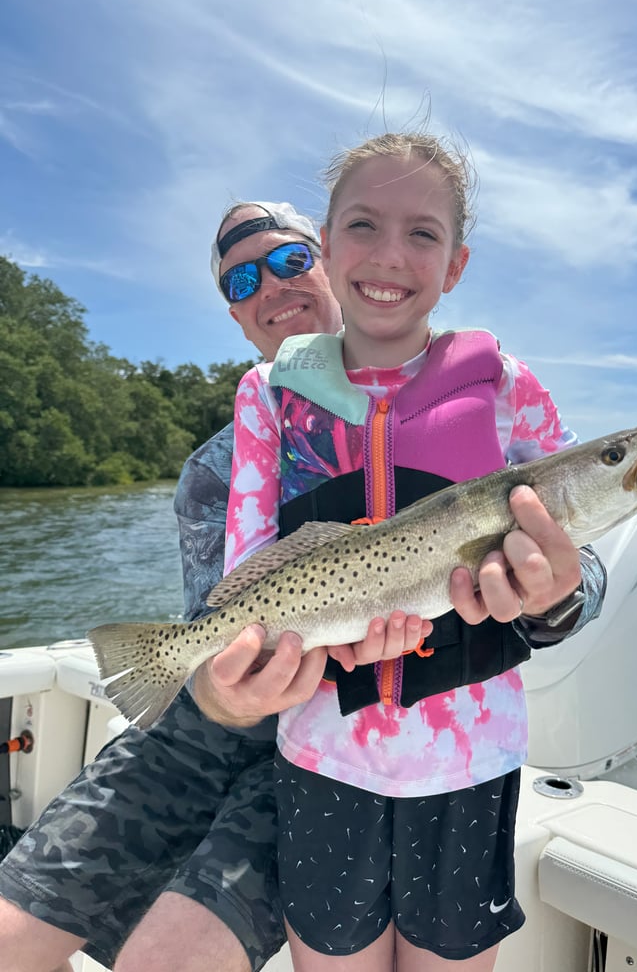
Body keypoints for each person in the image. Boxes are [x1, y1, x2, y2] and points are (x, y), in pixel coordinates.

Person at [0, 196, 603, 972]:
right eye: (240, 280)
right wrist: (222, 692)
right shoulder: (212, 470)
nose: (270, 287)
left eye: (287, 260)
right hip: (195, 737)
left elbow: (582, 572)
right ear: (235, 316)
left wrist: (550, 595)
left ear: (330, 263)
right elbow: (219, 634)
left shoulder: (473, 408)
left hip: (328, 753)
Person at [195, 134, 606, 972]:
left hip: (470, 761)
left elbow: (583, 573)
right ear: (331, 244)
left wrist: (555, 594)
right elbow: (241, 577)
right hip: (319, 755)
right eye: (363, 225)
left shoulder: (507, 387)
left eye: (422, 234)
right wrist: (236, 674)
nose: (390, 255)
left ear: (455, 266)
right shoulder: (266, 396)